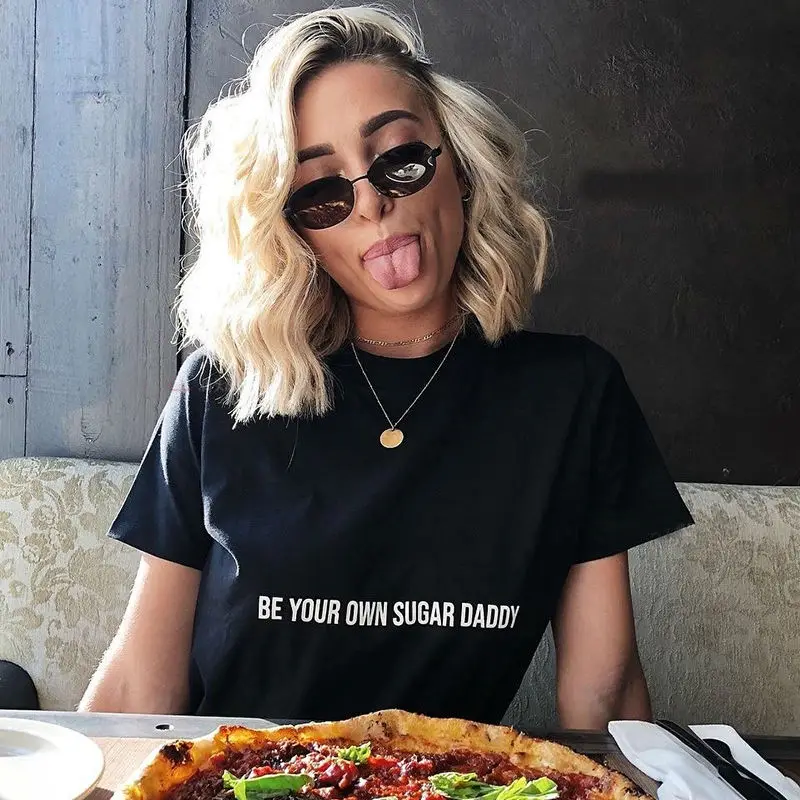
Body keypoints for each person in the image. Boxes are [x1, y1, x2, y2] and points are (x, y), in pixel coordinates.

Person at [79, 5, 693, 728]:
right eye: (321, 190)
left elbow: (605, 696)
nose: (371, 202)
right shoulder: (223, 390)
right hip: (229, 773)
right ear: (294, 230)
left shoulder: (573, 395)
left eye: (399, 158)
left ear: (459, 165)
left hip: (448, 775)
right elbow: (141, 691)